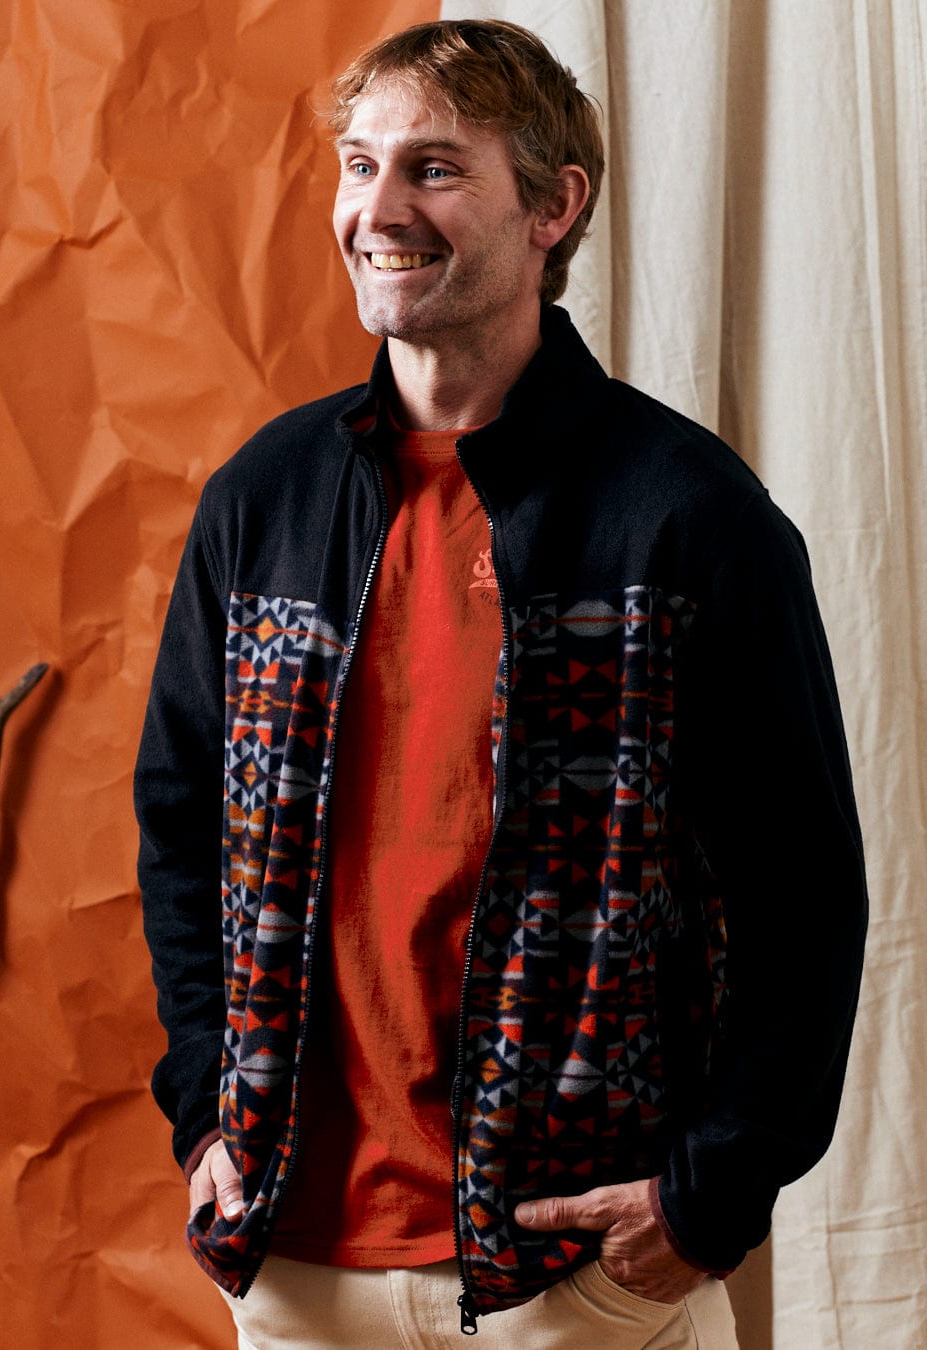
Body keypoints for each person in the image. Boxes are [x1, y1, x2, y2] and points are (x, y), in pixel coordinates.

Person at [134, 19, 868, 1348]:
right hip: (297, 1261)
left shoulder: (689, 516)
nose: (377, 209)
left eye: (433, 168)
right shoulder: (264, 501)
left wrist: (709, 1198)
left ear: (554, 205)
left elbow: (803, 889)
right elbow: (183, 826)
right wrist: (207, 1111)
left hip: (570, 1268)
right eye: (360, 165)